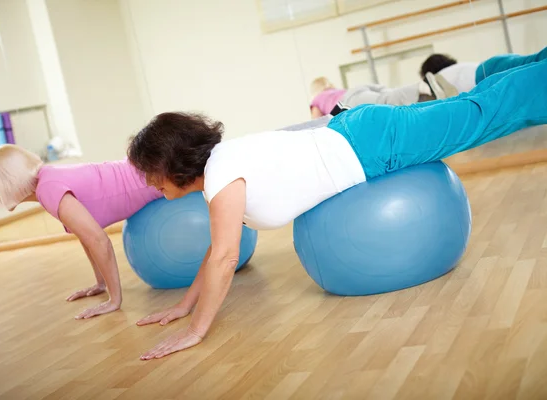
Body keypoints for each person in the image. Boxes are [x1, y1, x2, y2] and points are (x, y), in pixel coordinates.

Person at [126, 47, 546, 361]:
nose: (147, 182)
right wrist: (184, 305)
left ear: (171, 163)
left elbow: (224, 257)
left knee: (484, 114)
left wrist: (197, 330)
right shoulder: (221, 172)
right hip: (360, 135)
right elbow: (215, 251)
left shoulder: (221, 176)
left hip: (373, 144)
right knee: (477, 105)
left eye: (149, 171)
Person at [0, 145, 163, 319]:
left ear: (7, 180)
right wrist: (101, 283)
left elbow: (99, 241)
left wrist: (114, 300)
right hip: (150, 170)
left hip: (158, 175)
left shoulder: (47, 188)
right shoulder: (47, 179)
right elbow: (85, 235)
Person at [308, 75, 456, 119]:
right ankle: (426, 96)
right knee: (390, 97)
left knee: (386, 102)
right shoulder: (335, 91)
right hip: (358, 89)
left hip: (346, 103)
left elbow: (317, 123)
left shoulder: (316, 100)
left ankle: (422, 86)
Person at [420, 46, 547, 95]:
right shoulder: (452, 72)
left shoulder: (438, 79)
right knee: (534, 63)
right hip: (490, 66)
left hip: (487, 72)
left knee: (535, 63)